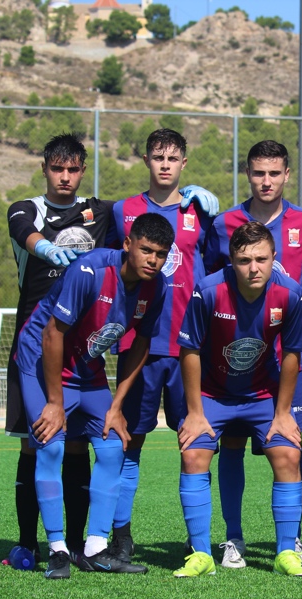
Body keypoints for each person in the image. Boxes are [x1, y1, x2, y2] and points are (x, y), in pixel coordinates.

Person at [14, 213, 172, 578]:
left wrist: (116, 406)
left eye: (161, 254)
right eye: (146, 250)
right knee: (51, 444)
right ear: (127, 244)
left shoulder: (156, 286)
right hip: (42, 361)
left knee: (114, 444)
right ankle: (57, 549)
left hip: (86, 367)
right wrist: (55, 404)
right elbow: (52, 334)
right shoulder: (90, 271)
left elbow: (141, 345)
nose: (153, 260)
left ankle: (96, 548)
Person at [202, 140, 302, 568]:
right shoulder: (223, 223)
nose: (266, 181)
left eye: (274, 173)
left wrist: (289, 294)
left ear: (287, 174)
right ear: (247, 175)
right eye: (258, 173)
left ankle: (294, 537)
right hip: (235, 354)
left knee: (290, 444)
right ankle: (233, 538)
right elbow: (212, 276)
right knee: (231, 444)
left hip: (285, 353)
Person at [173, 222, 302, 578]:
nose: (254, 268)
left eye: (261, 259)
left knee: (288, 453)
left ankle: (285, 552)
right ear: (231, 261)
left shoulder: (291, 294)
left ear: (274, 258)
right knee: (193, 453)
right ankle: (202, 553)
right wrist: (194, 412)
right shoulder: (208, 291)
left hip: (263, 393)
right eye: (244, 260)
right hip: (212, 393)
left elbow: (294, 354)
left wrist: (283, 413)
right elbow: (189, 349)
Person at [5, 133, 114, 564]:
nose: (65, 177)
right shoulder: (26, 208)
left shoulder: (100, 211)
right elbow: (24, 232)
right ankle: (27, 543)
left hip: (82, 345)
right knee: (36, 443)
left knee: (79, 444)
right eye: (57, 168)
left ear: (83, 170)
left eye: (73, 169)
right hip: (35, 342)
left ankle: (73, 544)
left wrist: (187, 201)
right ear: (45, 168)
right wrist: (47, 248)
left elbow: (144, 216)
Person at [108, 129, 216, 563]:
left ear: (184, 164)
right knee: (129, 441)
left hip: (191, 347)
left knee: (194, 443)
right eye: (158, 157)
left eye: (173, 158)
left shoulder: (199, 212)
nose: (165, 164)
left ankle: (198, 542)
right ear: (146, 161)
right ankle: (121, 534)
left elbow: (221, 268)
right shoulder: (123, 212)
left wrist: (217, 209)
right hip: (140, 345)